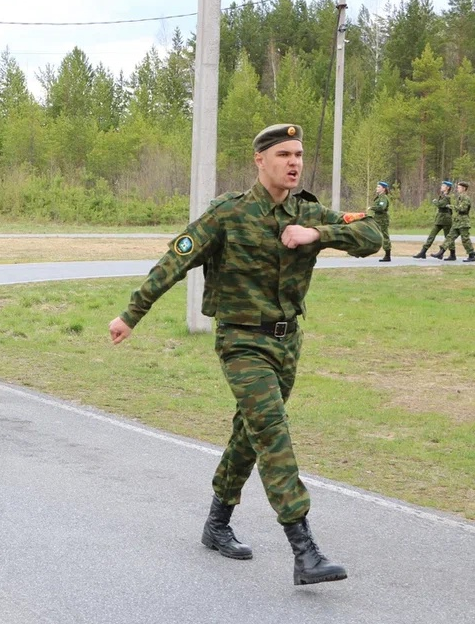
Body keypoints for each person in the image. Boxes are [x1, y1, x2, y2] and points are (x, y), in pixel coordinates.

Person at [108, 124, 381, 586]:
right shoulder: (228, 213)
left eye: (298, 154)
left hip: (287, 343)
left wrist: (315, 234)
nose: (294, 163)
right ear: (260, 160)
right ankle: (304, 550)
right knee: (272, 431)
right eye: (283, 155)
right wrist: (131, 314)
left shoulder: (308, 211)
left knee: (249, 434)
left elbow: (372, 233)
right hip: (241, 342)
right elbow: (175, 260)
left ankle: (217, 523)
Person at [438, 181, 475, 262]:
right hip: (458, 221)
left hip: (464, 222)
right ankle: (441, 253)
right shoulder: (460, 197)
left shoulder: (466, 198)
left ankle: (471, 255)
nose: (457, 189)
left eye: (459, 187)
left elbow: (463, 209)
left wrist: (451, 206)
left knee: (465, 239)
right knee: (450, 237)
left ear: (464, 188)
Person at [417, 181, 453, 259]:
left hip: (446, 220)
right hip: (440, 219)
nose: (441, 187)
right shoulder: (442, 196)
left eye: (443, 186)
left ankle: (452, 254)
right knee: (431, 235)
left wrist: (435, 201)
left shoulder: (447, 197)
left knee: (448, 237)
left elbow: (441, 204)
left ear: (448, 188)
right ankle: (423, 252)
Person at [369, 181, 391, 262]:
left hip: (382, 220)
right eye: (377, 187)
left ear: (383, 189)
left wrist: (372, 208)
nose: (377, 188)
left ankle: (387, 255)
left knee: (385, 237)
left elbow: (382, 208)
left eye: (379, 187)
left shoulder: (383, 198)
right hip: (377, 219)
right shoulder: (379, 197)